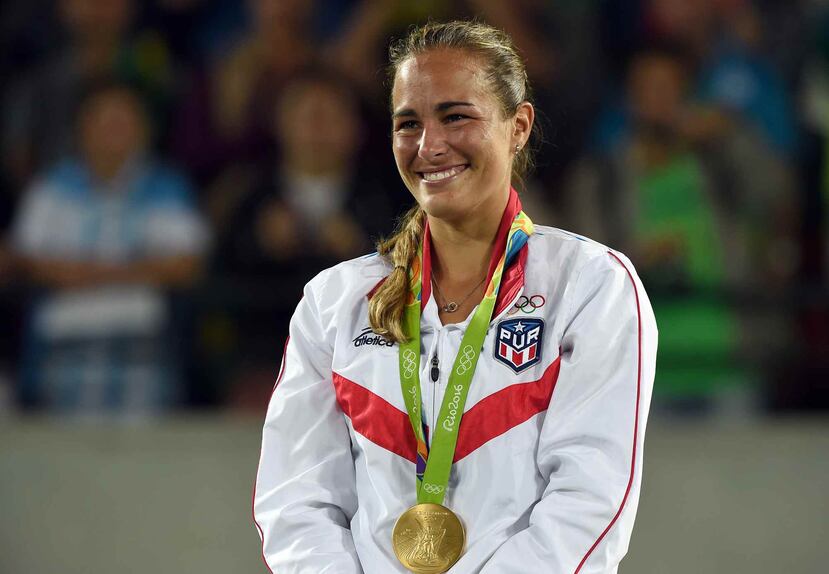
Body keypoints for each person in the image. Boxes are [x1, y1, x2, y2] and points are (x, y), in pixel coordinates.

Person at [254, 20, 657, 574]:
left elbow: (591, 499)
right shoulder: (334, 302)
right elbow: (297, 503)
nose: (429, 146)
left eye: (456, 116)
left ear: (518, 126)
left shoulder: (589, 286)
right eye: (408, 124)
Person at [11, 79, 209, 414]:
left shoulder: (167, 187)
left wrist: (86, 273)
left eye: (124, 120)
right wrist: (134, 270)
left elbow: (186, 264)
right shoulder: (52, 188)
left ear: (144, 129)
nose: (114, 130)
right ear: (81, 129)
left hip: (146, 356)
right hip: (59, 355)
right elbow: (26, 260)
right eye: (104, 120)